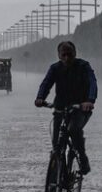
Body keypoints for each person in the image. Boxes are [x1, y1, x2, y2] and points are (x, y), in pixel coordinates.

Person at [34, 41, 97, 175]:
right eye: (64, 55)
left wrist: (89, 101)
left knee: (74, 130)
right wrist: (40, 97)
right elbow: (46, 83)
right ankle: (56, 179)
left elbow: (92, 82)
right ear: (59, 55)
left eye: (70, 54)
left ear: (75, 53)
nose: (67, 58)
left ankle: (83, 159)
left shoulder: (84, 66)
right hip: (60, 109)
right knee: (56, 144)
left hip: (80, 109)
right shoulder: (55, 68)